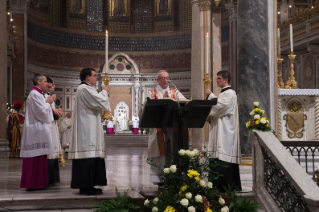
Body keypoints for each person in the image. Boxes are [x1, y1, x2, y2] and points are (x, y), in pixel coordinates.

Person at [69, 67, 111, 195]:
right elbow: (99, 102)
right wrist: (104, 91)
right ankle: (85, 186)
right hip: (87, 130)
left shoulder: (87, 89)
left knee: (91, 156)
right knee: (87, 156)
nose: (96, 77)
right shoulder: (84, 89)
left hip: (90, 127)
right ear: (87, 77)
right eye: (94, 75)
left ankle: (89, 185)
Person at [147, 70, 186, 184]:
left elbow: (184, 103)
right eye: (162, 78)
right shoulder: (152, 93)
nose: (165, 80)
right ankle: (160, 180)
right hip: (158, 128)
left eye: (167, 78)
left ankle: (173, 176)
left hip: (172, 128)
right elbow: (145, 108)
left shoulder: (175, 92)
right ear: (157, 80)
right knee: (160, 154)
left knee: (172, 152)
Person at [205, 70, 242, 192]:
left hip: (226, 132)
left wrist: (210, 96)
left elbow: (221, 107)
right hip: (219, 129)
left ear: (226, 80)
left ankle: (226, 187)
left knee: (224, 158)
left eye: (219, 78)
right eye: (217, 78)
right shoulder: (222, 94)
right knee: (217, 158)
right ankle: (216, 186)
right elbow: (217, 109)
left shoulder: (230, 93)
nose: (216, 81)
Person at [20, 74, 54, 190]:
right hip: (35, 129)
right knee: (35, 157)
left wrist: (47, 103)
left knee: (39, 156)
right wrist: (48, 102)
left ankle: (40, 182)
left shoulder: (38, 94)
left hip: (38, 129)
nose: (47, 84)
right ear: (38, 82)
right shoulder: (34, 94)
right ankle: (34, 183)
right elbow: (41, 113)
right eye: (45, 81)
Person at [45, 77, 63, 186]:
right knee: (50, 152)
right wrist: (53, 111)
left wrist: (56, 112)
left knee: (53, 151)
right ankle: (49, 177)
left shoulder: (48, 97)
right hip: (48, 128)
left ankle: (53, 178)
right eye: (52, 84)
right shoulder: (45, 97)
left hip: (52, 126)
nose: (54, 87)